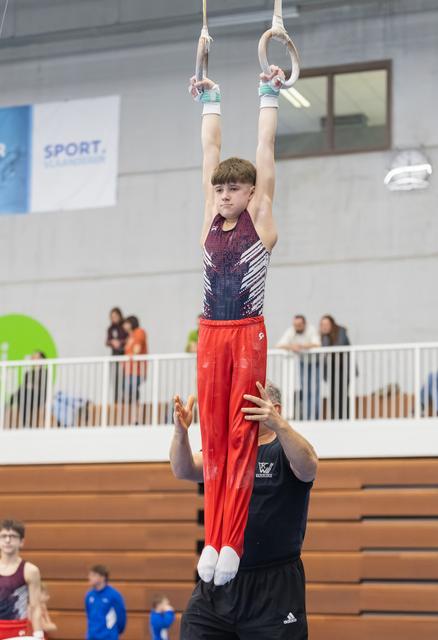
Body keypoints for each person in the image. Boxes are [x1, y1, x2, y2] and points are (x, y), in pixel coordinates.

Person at [189, 62, 285, 585]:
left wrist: (269, 92)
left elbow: (266, 153)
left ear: (249, 193)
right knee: (214, 434)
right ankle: (213, 538)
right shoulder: (209, 215)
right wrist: (211, 100)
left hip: (246, 333)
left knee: (241, 434)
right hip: (209, 333)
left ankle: (234, 540)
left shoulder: (261, 218)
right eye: (220, 189)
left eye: (234, 189)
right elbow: (209, 152)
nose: (225, 195)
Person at [170, 381, 317, 639]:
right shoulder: (227, 451)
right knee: (193, 627)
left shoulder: (284, 450)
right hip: (222, 581)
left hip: (274, 586)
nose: (239, 413)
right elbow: (183, 470)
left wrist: (278, 423)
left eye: (250, 406)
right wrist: (181, 433)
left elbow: (309, 466)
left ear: (273, 408)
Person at [0, 518, 43, 639]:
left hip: (17, 631)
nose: (8, 540)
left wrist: (38, 634)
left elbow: (35, 606)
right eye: (3, 536)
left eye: (13, 536)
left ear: (21, 542)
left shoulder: (30, 570)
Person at [277, 315, 321, 420]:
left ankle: (315, 416)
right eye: (295, 325)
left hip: (316, 362)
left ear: (304, 324)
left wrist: (301, 346)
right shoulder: (291, 331)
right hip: (303, 363)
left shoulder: (311, 330)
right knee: (305, 389)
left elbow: (317, 344)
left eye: (299, 325)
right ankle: (307, 416)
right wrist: (292, 346)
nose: (297, 327)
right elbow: (279, 345)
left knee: (315, 389)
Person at [320, 315, 351, 419]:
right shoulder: (324, 336)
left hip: (343, 368)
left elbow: (341, 344)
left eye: (326, 324)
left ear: (332, 324)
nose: (324, 327)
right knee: (333, 394)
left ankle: (344, 417)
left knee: (342, 393)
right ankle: (336, 416)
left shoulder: (340, 331)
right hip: (331, 369)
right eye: (322, 324)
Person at [85, 565, 126, 640]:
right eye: (90, 575)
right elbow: (89, 616)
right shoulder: (89, 595)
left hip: (108, 637)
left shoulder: (114, 595)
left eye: (93, 575)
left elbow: (121, 618)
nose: (89, 577)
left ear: (102, 578)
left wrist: (113, 632)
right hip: (92, 637)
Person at [9, 351, 47, 428]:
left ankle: (26, 424)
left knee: (22, 392)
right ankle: (25, 424)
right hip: (27, 396)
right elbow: (25, 385)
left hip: (39, 397)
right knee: (22, 394)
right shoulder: (28, 373)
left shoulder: (45, 372)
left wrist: (32, 386)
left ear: (42, 360)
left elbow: (42, 387)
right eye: (32, 357)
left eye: (35, 357)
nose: (33, 359)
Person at [122, 316, 148, 406]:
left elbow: (137, 349)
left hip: (137, 370)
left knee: (131, 389)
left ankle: (135, 410)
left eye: (126, 323)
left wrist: (133, 354)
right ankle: (133, 410)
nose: (124, 325)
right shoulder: (129, 336)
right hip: (129, 370)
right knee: (128, 390)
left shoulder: (139, 332)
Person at [106, 308, 127, 403]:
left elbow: (129, 339)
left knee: (125, 379)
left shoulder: (124, 327)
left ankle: (125, 399)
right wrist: (112, 342)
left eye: (115, 316)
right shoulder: (111, 329)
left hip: (124, 357)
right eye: (112, 317)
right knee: (115, 379)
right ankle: (116, 400)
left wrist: (120, 342)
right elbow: (107, 341)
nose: (113, 318)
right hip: (115, 357)